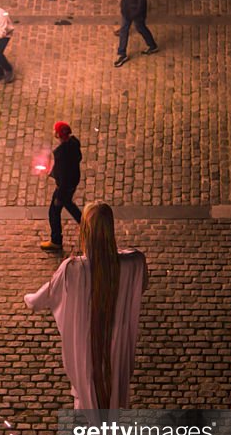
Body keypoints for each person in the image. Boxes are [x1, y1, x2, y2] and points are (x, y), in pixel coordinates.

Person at [25, 203, 148, 408]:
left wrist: (30, 300)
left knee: (87, 396)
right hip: (116, 344)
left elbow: (48, 293)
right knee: (114, 395)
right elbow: (141, 284)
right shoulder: (133, 263)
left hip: (86, 346)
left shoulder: (73, 268)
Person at [41, 121, 83, 251]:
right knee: (69, 205)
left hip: (63, 187)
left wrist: (50, 172)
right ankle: (88, 226)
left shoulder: (60, 153)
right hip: (73, 181)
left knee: (54, 211)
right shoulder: (74, 143)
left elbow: (62, 174)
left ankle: (56, 241)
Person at [115, 0, 158, 67]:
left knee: (140, 28)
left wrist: (134, 14)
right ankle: (122, 53)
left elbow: (142, 4)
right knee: (124, 30)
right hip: (127, 11)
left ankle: (152, 45)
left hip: (135, 15)